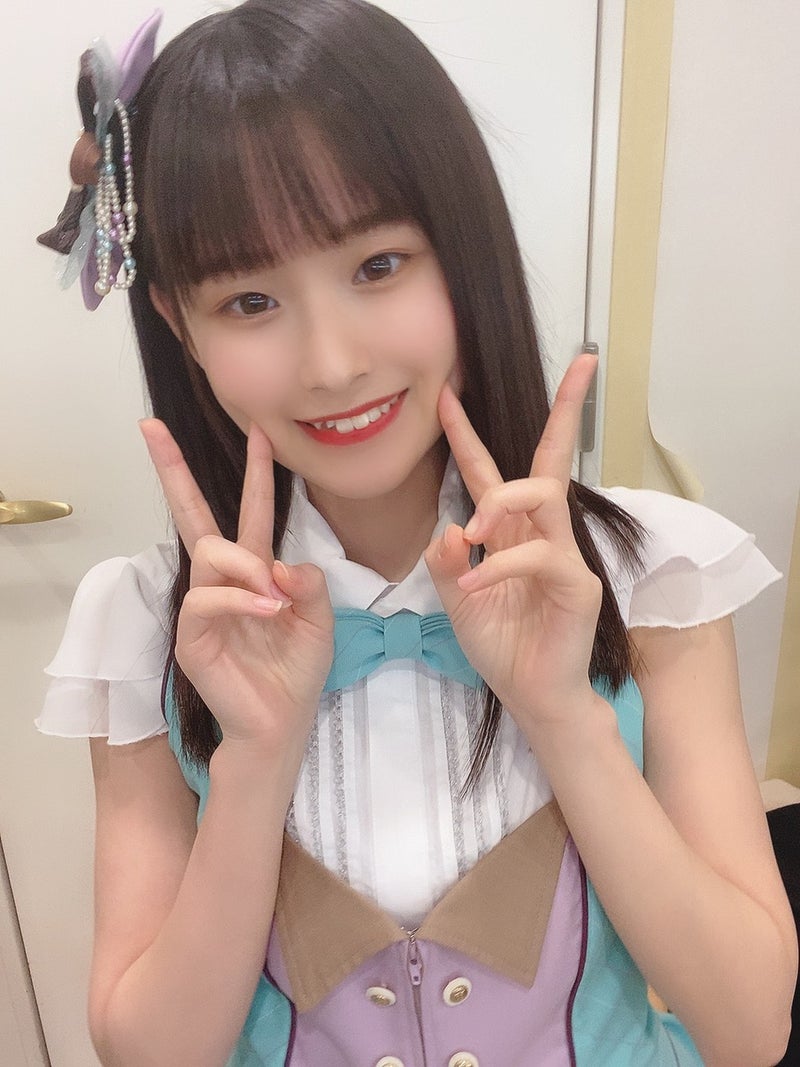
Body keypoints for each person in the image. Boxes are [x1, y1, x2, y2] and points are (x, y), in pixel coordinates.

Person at [37, 2, 797, 1065]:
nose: (332, 362)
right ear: (178, 322)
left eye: (377, 266)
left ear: (461, 250)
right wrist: (254, 761)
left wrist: (563, 714)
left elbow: (750, 1028)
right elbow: (151, 1054)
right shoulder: (147, 623)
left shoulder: (647, 570)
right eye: (250, 300)